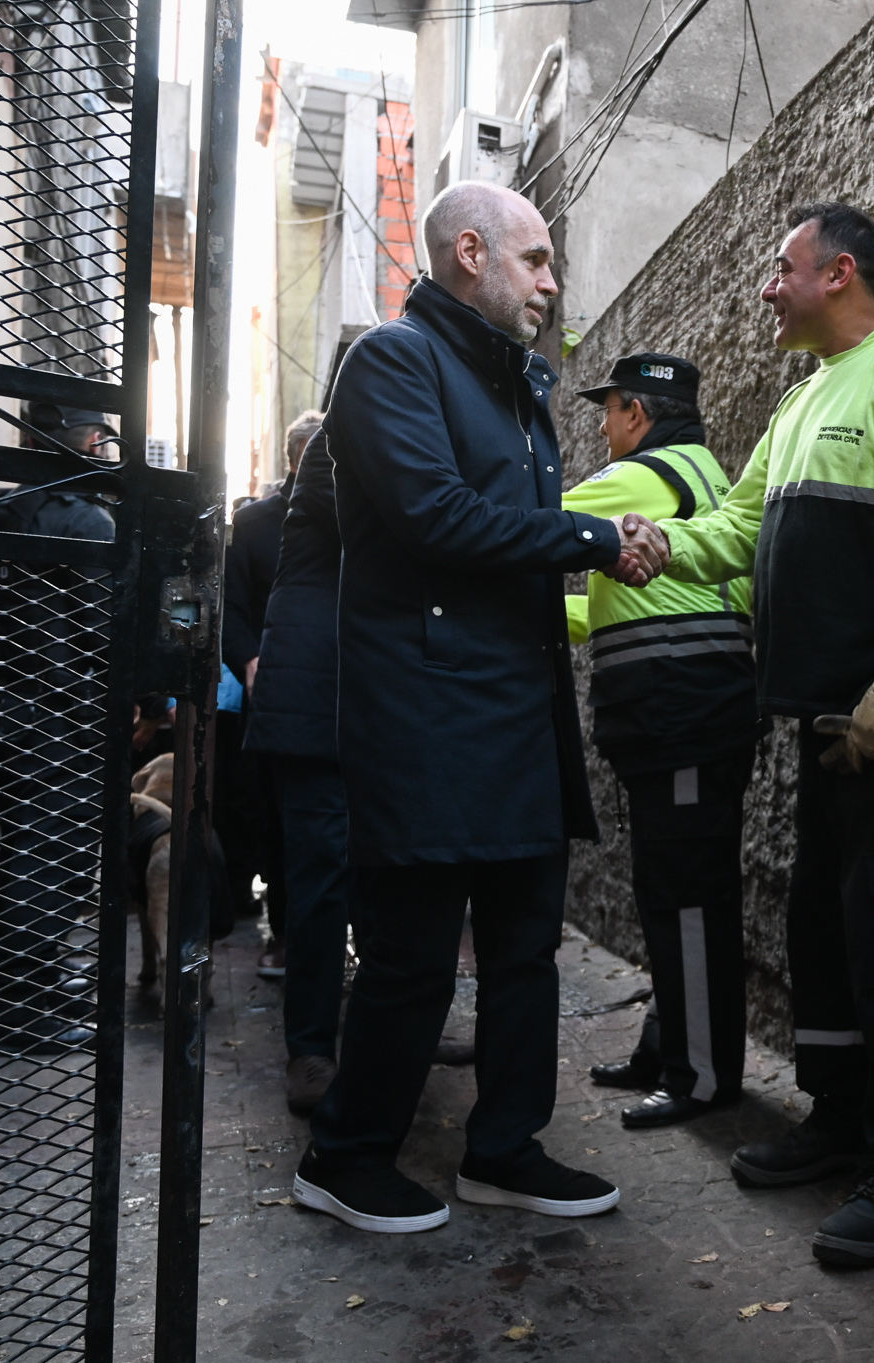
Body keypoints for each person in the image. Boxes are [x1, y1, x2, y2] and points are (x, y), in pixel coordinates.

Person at [629, 203, 874, 1267]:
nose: (766, 287)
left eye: (781, 267)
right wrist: (663, 543)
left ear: (839, 273)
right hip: (828, 731)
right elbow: (740, 527)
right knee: (826, 934)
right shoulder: (803, 400)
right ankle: (842, 1116)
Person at [288, 179, 666, 1234]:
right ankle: (345, 1155)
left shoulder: (516, 389)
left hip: (517, 718)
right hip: (426, 718)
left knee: (521, 951)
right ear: (469, 251)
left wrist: (601, 545)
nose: (552, 282)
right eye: (536, 259)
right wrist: (596, 538)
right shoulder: (393, 361)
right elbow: (436, 516)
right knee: (411, 958)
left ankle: (504, 1147)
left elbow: (509, 544)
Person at [562, 352, 759, 1129]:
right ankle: (665, 1043)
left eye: (608, 411)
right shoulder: (704, 473)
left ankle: (701, 1075)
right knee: (672, 885)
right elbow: (623, 607)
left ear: (636, 414)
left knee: (688, 895)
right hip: (690, 709)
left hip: (681, 712)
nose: (603, 429)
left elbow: (528, 523)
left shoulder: (640, 478)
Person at [0, 403, 116, 1054]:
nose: (102, 446)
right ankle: (21, 1012)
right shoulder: (84, 520)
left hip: (2, 707)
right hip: (59, 714)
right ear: (79, 439)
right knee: (53, 856)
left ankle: (32, 983)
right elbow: (104, 628)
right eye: (96, 434)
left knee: (28, 846)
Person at [242, 416, 355, 1115]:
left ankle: (393, 1025)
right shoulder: (328, 466)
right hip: (312, 710)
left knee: (392, 881)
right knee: (319, 888)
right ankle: (311, 1049)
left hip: (373, 710)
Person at [223, 413, 321, 979]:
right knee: (277, 819)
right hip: (273, 696)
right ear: (293, 461)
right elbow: (231, 610)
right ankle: (285, 933)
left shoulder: (356, 516)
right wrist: (250, 659)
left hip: (337, 690)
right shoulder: (255, 524)